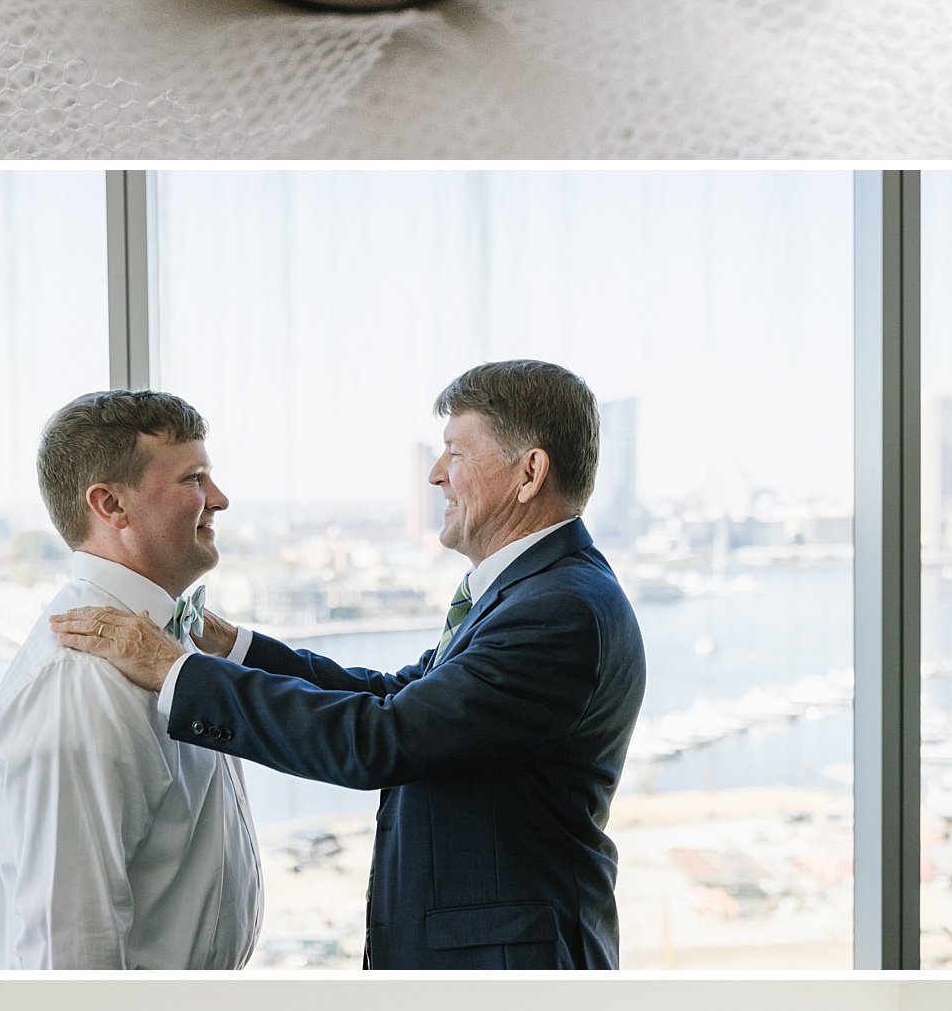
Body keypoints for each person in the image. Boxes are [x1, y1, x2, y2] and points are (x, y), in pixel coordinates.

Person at [53, 359, 647, 973]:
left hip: (504, 979)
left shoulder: (558, 610)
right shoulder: (536, 592)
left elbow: (383, 737)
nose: (436, 476)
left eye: (454, 453)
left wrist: (175, 670)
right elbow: (393, 697)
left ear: (529, 473)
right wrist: (233, 647)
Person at [0, 386, 264, 974]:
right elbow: (72, 939)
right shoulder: (80, 676)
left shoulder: (165, 644)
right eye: (194, 479)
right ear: (111, 505)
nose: (219, 499)